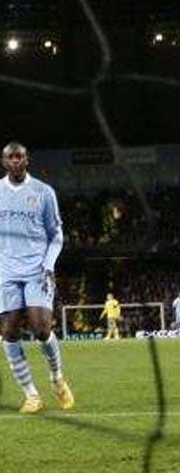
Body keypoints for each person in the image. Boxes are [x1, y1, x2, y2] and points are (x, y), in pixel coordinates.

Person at [0, 141, 74, 413]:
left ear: (27, 160)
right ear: (4, 162)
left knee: (41, 328)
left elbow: (56, 234)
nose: (15, 161)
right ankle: (31, 395)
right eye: (10, 157)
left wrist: (49, 265)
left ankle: (57, 379)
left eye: (20, 156)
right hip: (6, 272)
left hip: (36, 271)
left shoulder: (43, 192)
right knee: (8, 332)